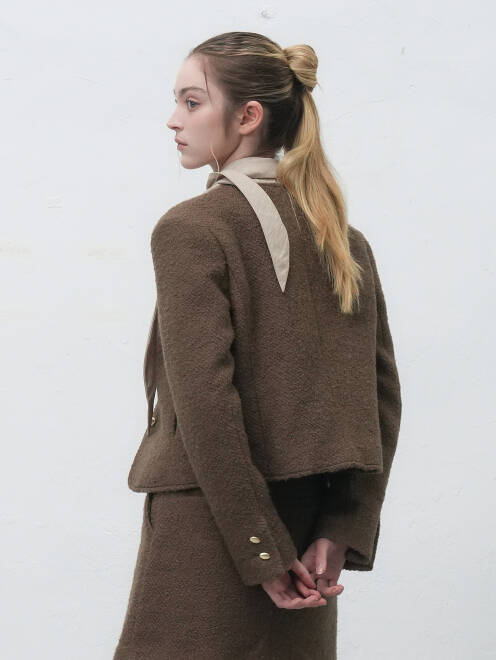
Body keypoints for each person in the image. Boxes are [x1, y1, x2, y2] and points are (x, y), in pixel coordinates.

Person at [113, 30, 402, 660]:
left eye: (192, 102)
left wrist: (258, 550)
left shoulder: (192, 229)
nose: (173, 120)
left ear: (248, 117)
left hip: (213, 527)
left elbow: (205, 404)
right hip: (306, 538)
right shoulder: (342, 238)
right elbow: (380, 401)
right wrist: (341, 528)